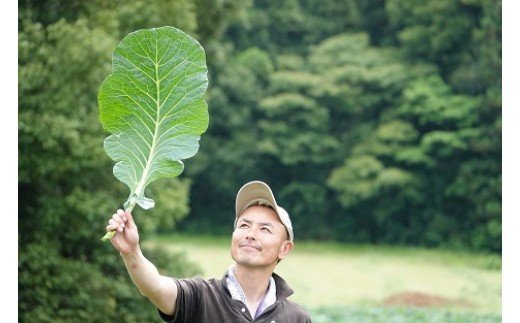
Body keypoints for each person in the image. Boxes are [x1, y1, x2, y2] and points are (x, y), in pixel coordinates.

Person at [106, 180, 312, 322]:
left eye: (265, 229)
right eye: (244, 225)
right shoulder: (201, 297)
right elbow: (156, 288)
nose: (250, 234)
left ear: (284, 249)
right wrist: (131, 252)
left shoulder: (296, 318)